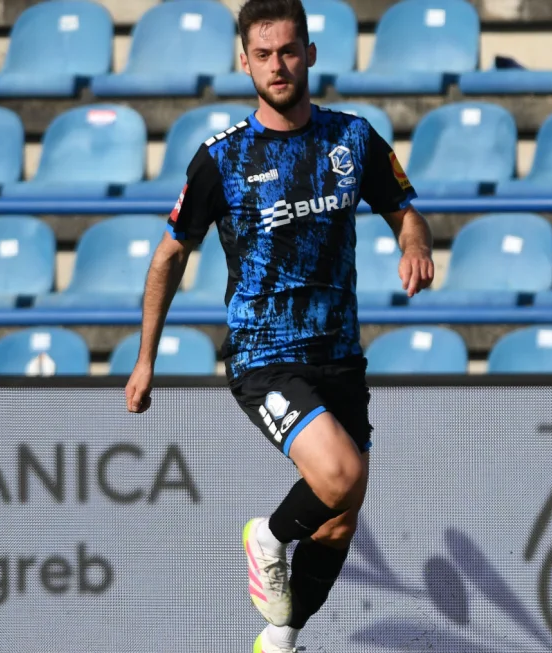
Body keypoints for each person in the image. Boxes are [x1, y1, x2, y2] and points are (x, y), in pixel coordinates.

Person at [123, 0, 435, 650]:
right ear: (244, 61)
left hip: (340, 354)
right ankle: (266, 534)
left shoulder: (352, 139)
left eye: (288, 50)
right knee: (339, 475)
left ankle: (283, 634)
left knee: (339, 520)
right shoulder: (222, 159)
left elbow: (404, 208)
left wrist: (414, 243)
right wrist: (145, 356)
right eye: (263, 54)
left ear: (311, 53)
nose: (278, 64)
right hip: (266, 354)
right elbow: (171, 253)